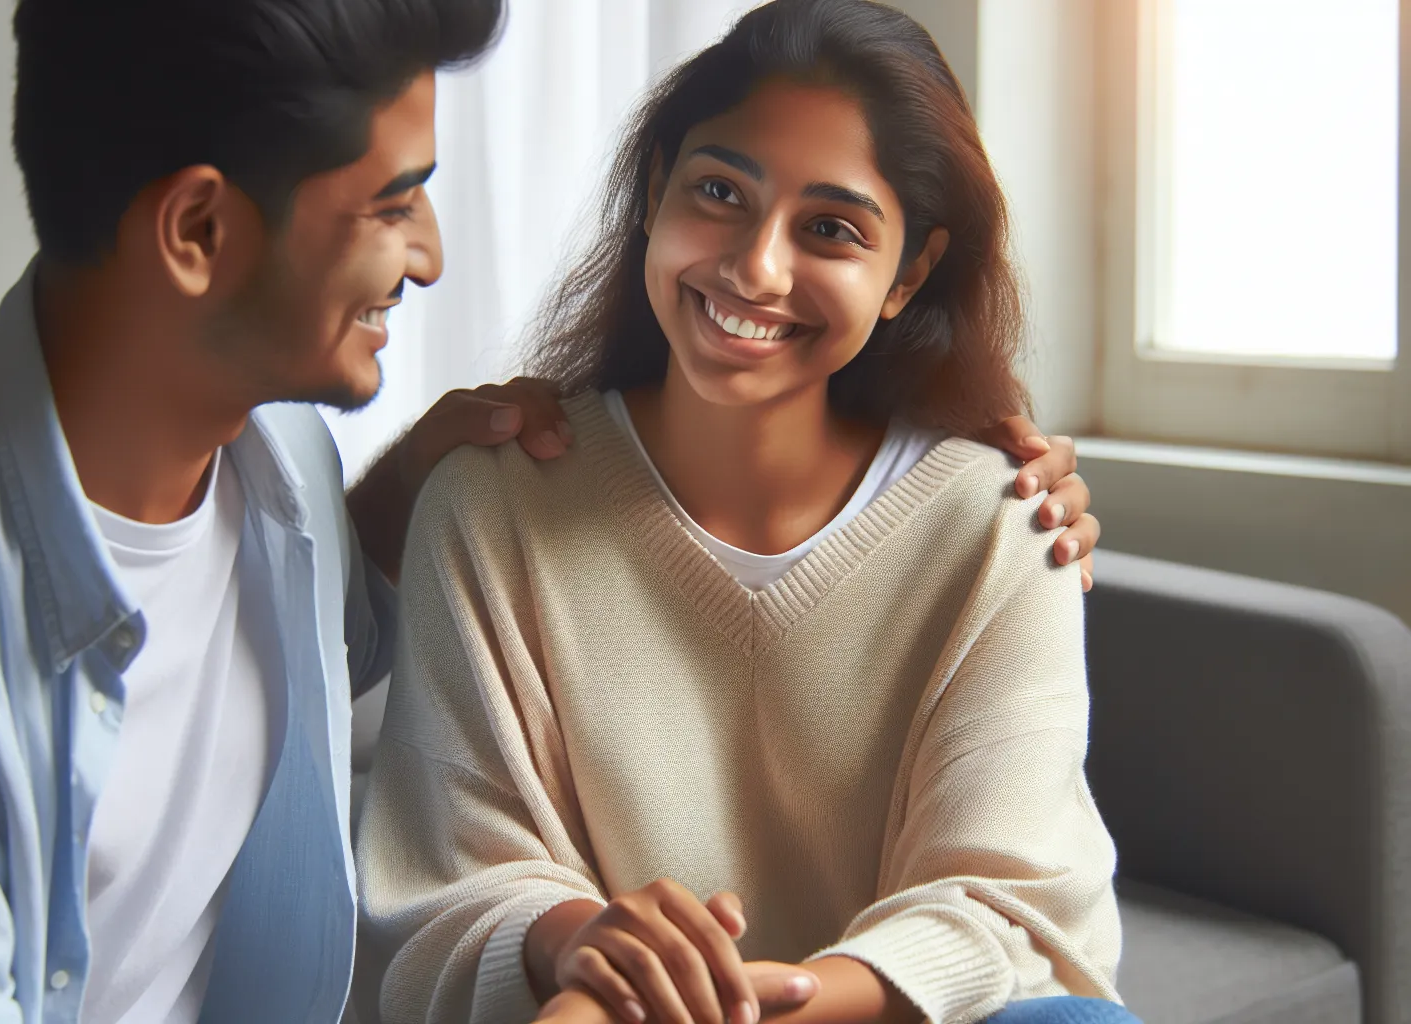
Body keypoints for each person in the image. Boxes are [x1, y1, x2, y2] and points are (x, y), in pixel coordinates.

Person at [0, 1, 1099, 1022]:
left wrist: (970, 468)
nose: (434, 254)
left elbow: (361, 611)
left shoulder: (272, 461)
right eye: (394, 200)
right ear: (201, 231)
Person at [353, 2, 1134, 1024]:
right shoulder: (491, 502)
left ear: (908, 273)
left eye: (830, 229)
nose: (755, 268)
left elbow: (1007, 907)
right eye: (719, 192)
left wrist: (742, 1013)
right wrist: (589, 950)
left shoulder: (997, 523)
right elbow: (451, 890)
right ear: (652, 190)